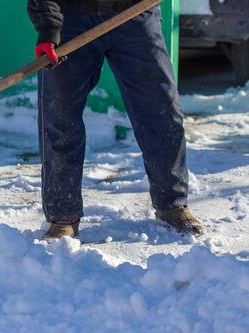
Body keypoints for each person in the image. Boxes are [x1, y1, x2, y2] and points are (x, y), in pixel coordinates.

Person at [27, 0, 204, 239]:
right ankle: (63, 216)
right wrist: (48, 27)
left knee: (161, 108)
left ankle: (172, 205)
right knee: (60, 115)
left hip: (136, 11)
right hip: (72, 16)